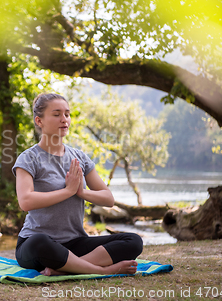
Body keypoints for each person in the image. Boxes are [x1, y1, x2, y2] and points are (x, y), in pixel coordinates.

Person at [12, 93, 143, 276]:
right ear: (39, 121)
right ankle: (100, 270)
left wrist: (81, 192)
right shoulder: (28, 158)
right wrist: (68, 191)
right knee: (39, 242)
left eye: (67, 114)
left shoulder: (79, 157)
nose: (64, 119)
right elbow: (26, 201)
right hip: (38, 244)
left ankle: (65, 269)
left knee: (133, 240)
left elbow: (108, 199)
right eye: (56, 114)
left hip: (75, 243)